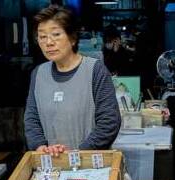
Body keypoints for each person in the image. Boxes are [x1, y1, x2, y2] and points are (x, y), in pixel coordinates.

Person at [24, 5, 120, 156]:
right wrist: (40, 147)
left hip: (89, 165)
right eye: (42, 36)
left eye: (56, 34)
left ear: (73, 38)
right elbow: (32, 118)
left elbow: (109, 121)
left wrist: (78, 153)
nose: (48, 42)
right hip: (51, 166)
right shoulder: (38, 73)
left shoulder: (95, 70)